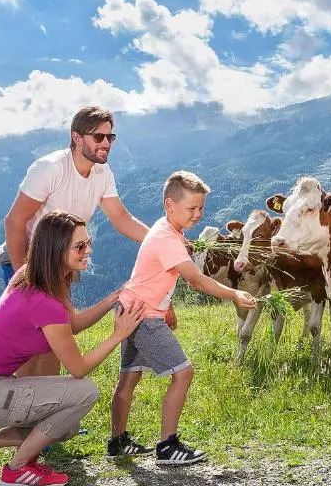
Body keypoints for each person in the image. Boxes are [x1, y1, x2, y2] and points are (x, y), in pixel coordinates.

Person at [0, 210, 146, 486]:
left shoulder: (38, 277)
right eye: (79, 246)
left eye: (88, 242)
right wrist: (118, 335)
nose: (88, 250)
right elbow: (78, 368)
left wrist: (113, 298)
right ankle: (18, 469)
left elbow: (72, 325)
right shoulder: (43, 300)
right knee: (85, 391)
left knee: (66, 425)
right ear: (55, 250)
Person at [0, 105, 176, 378]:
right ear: (77, 138)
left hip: (60, 264)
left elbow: (121, 217)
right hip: (27, 259)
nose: (106, 143)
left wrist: (163, 241)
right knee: (32, 340)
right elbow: (14, 222)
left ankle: (47, 400)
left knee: (55, 338)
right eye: (98, 137)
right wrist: (24, 276)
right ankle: (18, 398)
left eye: (110, 137)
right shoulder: (50, 168)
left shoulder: (102, 173)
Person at [108, 171, 256, 465]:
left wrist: (168, 306)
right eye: (191, 208)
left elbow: (156, 276)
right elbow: (196, 280)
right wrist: (235, 294)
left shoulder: (166, 230)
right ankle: (167, 446)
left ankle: (118, 441)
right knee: (183, 373)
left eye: (201, 208)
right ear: (170, 205)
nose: (198, 214)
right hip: (143, 316)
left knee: (129, 376)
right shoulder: (167, 238)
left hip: (131, 308)